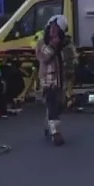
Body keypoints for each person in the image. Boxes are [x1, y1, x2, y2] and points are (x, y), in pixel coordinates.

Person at [35, 14, 76, 146]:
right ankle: (56, 134)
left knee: (61, 105)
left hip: (61, 80)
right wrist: (53, 45)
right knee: (52, 105)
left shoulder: (66, 43)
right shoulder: (42, 42)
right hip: (48, 80)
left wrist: (71, 68)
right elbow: (43, 58)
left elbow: (72, 58)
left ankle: (49, 125)